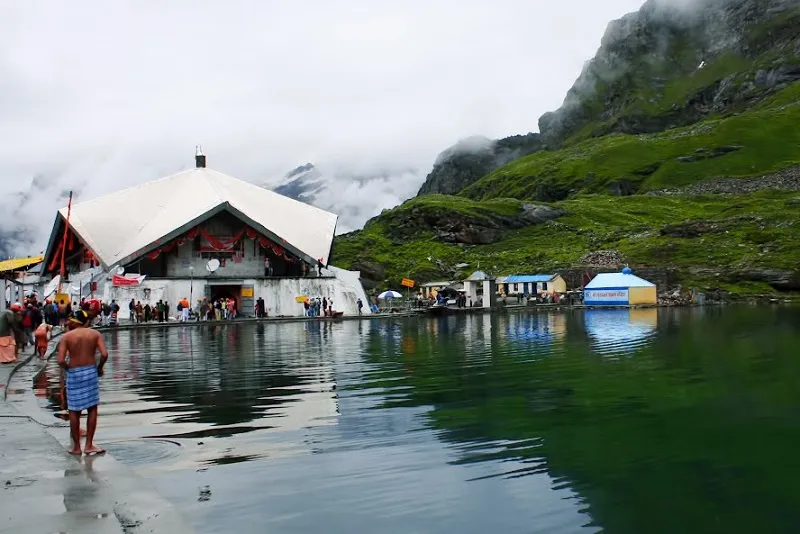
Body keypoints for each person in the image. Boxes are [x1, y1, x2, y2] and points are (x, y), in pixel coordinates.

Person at [57, 310, 108, 456]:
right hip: (90, 372)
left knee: (74, 410)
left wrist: (68, 369)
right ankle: (89, 445)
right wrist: (99, 368)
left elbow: (60, 360)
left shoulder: (66, 337)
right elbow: (104, 354)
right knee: (92, 408)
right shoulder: (94, 334)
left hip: (74, 373)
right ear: (86, 322)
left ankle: (77, 448)